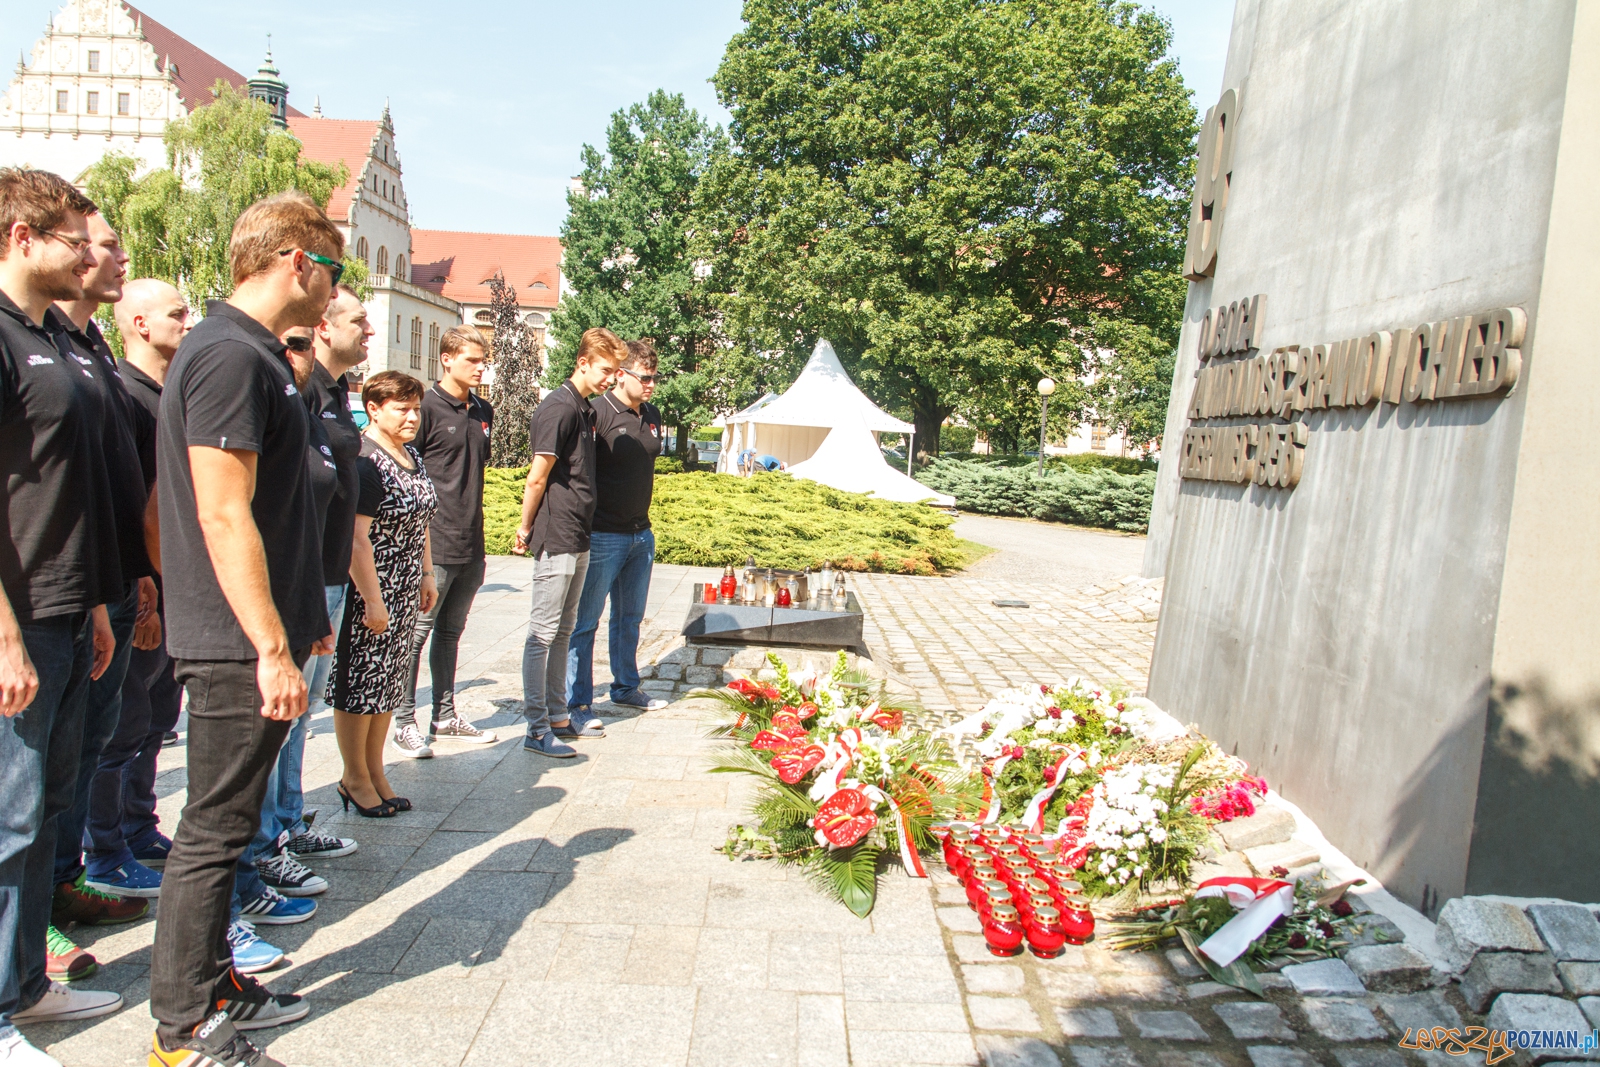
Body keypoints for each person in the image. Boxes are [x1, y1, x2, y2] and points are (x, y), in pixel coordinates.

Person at [149, 190, 340, 1065]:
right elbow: (224, 514)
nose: (335, 290)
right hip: (233, 642)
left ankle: (217, 979)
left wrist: (299, 623)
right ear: (297, 261)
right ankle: (183, 1026)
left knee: (225, 827)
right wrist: (270, 642)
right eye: (331, 269)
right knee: (216, 828)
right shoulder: (230, 354)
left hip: (256, 633)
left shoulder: (248, 351)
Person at [0, 168, 124, 1066]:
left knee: (46, 809)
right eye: (71, 240)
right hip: (20, 618)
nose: (87, 255)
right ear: (19, 235)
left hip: (72, 607)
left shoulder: (57, 337)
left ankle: (28, 985)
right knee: (8, 814)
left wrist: (100, 602)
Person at [84, 281, 189, 901]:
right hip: (143, 585)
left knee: (155, 716)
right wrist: (143, 583)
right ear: (141, 324)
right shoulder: (125, 395)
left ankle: (140, 824)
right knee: (122, 724)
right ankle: (106, 848)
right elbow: (127, 501)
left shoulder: (167, 394)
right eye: (177, 313)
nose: (187, 319)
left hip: (171, 584)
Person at [327, 371, 438, 815]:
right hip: (372, 586)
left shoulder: (410, 453)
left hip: (407, 583)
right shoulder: (364, 458)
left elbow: (423, 516)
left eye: (416, 408)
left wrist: (427, 573)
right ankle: (353, 775)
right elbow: (356, 537)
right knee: (360, 684)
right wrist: (373, 599)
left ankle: (375, 769)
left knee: (389, 681)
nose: (413, 417)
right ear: (373, 408)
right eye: (402, 408)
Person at [513, 327, 625, 757]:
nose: (610, 379)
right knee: (542, 633)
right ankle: (536, 727)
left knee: (563, 630)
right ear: (582, 363)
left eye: (615, 372)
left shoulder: (585, 410)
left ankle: (558, 715)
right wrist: (525, 527)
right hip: (557, 533)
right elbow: (537, 476)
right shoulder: (557, 408)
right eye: (604, 370)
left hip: (581, 533)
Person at [393, 325, 497, 758]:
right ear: (447, 358)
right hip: (433, 542)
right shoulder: (425, 409)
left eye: (483, 360)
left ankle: (444, 713)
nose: (480, 368)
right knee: (417, 634)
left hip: (471, 540)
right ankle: (402, 720)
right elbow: (405, 469)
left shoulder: (482, 409)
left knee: (451, 633)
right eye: (472, 360)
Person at [565, 339, 669, 727]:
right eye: (645, 378)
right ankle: (577, 704)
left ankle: (625, 687)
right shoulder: (597, 413)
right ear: (621, 375)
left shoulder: (653, 413)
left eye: (656, 378)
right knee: (585, 622)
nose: (651, 385)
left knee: (629, 618)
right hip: (604, 535)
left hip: (641, 535)